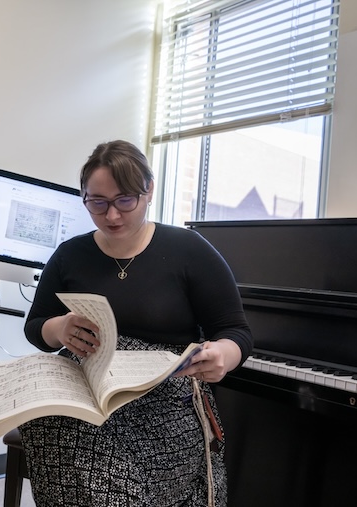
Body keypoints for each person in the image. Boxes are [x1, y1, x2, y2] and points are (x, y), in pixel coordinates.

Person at [19, 140, 253, 507]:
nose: (112, 215)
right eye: (97, 203)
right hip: (87, 391)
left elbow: (237, 332)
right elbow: (35, 327)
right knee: (49, 421)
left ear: (149, 191)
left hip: (163, 398)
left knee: (93, 463)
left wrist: (224, 353)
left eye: (125, 200)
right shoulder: (70, 254)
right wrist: (59, 328)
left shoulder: (189, 250)